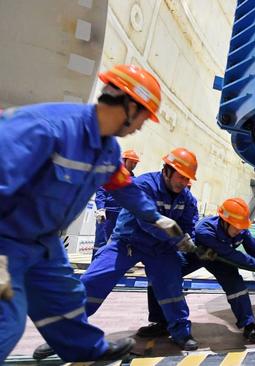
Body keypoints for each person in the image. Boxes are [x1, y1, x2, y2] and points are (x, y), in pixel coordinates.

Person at [0, 64, 183, 362]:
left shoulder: (108, 151)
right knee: (7, 321)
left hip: (43, 242)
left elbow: (125, 189)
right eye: (143, 119)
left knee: (66, 301)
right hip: (6, 239)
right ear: (129, 106)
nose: (140, 127)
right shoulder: (49, 128)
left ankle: (90, 352)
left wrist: (156, 217)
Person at [33, 148, 201, 359]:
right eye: (181, 176)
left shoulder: (187, 198)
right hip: (129, 243)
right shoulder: (144, 185)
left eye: (188, 178)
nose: (184, 182)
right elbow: (146, 222)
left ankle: (181, 333)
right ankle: (63, 336)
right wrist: (178, 239)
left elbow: (189, 223)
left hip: (160, 249)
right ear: (167, 170)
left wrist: (189, 239)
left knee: (171, 288)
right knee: (93, 281)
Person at [136, 197, 255, 344]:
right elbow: (230, 253)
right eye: (236, 226)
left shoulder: (240, 229)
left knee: (236, 288)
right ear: (225, 221)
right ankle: (160, 322)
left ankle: (249, 325)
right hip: (195, 256)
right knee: (160, 276)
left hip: (218, 260)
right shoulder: (204, 230)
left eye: (242, 227)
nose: (240, 230)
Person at [93, 149, 140, 259]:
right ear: (124, 160)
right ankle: (95, 265)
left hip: (123, 216)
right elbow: (101, 191)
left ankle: (114, 267)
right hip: (107, 214)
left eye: (135, 163)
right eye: (131, 162)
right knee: (101, 242)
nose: (133, 165)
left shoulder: (134, 180)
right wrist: (100, 208)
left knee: (121, 243)